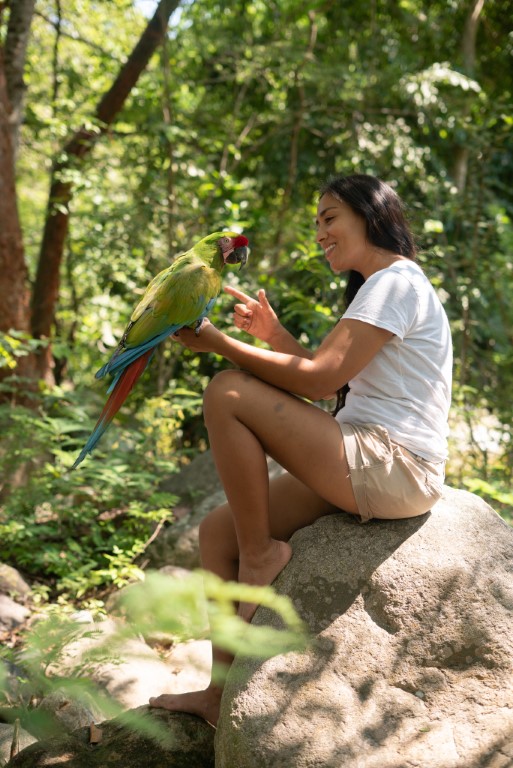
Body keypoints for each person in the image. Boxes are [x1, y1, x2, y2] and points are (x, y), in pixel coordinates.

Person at [149, 173, 453, 726]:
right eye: (317, 222)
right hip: (370, 460)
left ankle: (262, 556)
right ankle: (220, 695)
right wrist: (272, 336)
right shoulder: (381, 288)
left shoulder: (395, 282)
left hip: (392, 463)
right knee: (218, 533)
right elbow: (336, 384)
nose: (320, 232)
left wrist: (220, 342)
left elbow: (316, 381)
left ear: (371, 214)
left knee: (226, 391)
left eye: (329, 217)